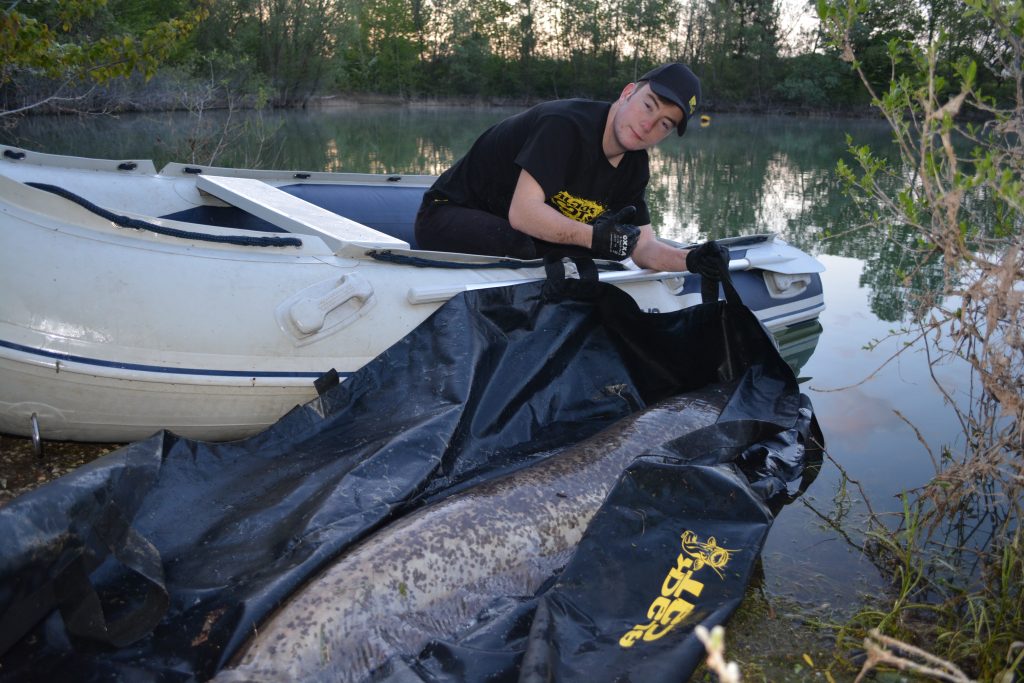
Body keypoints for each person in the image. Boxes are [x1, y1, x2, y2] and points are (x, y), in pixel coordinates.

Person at [414, 62, 729, 278]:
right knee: (539, 247)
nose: (649, 125)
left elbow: (642, 248)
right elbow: (523, 214)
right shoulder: (565, 125)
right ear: (627, 93)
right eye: (648, 105)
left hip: (510, 227)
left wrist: (690, 260)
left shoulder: (635, 166)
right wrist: (593, 237)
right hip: (447, 213)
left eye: (664, 124)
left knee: (581, 250)